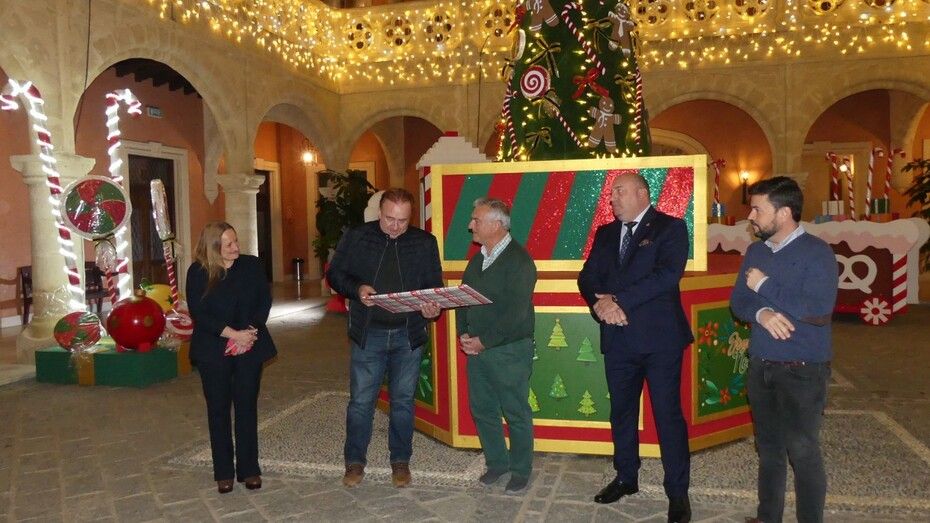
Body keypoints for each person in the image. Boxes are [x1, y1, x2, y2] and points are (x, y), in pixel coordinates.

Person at [578, 173, 693, 523]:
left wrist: (618, 301)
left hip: (660, 341)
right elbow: (587, 277)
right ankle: (626, 477)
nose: (612, 198)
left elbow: (666, 276)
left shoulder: (671, 228)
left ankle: (677, 492)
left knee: (667, 416)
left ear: (642, 193)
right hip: (618, 339)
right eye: (612, 192)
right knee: (622, 413)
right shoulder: (606, 232)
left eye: (619, 191)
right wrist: (600, 305)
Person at [730, 176, 838, 523]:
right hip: (762, 365)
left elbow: (817, 310)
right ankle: (768, 517)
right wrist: (761, 313)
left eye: (758, 209)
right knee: (769, 449)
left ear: (785, 213)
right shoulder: (756, 252)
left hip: (802, 370)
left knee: (803, 452)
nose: (751, 216)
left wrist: (764, 285)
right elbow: (739, 302)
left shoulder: (817, 253)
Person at [326, 187, 443, 488]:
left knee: (403, 402)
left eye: (402, 221)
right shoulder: (357, 237)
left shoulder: (424, 243)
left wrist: (432, 308)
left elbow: (434, 286)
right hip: (369, 334)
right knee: (361, 402)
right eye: (390, 218)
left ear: (410, 217)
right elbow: (335, 275)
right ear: (379, 212)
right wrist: (357, 289)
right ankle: (354, 462)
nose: (395, 226)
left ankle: (400, 461)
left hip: (408, 335)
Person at [186, 222, 276, 494]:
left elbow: (264, 301)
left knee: (247, 406)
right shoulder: (198, 272)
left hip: (250, 344)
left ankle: (249, 469)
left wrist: (249, 332)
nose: (236, 247)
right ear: (213, 248)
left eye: (236, 241)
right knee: (218, 409)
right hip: (213, 349)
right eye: (228, 244)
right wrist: (232, 335)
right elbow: (199, 313)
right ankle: (223, 471)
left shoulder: (251, 266)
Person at [456, 198, 538, 493]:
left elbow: (515, 313)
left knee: (515, 411)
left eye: (476, 221)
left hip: (509, 351)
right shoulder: (478, 259)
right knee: (483, 409)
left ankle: (520, 470)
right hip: (477, 349)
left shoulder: (520, 261)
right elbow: (463, 297)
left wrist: (484, 341)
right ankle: (497, 464)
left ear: (496, 225)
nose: (470, 226)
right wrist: (464, 333)